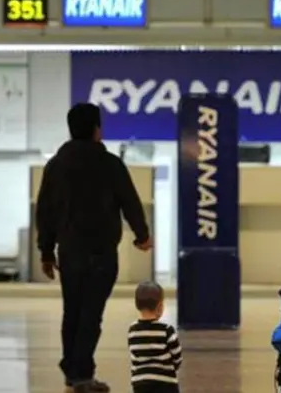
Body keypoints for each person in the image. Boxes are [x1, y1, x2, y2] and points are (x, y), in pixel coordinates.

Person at [36, 102, 154, 393]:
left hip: (70, 251)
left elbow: (46, 211)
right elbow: (129, 201)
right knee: (91, 314)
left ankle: (72, 369)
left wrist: (46, 251)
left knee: (72, 311)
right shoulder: (110, 164)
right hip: (101, 252)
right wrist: (142, 235)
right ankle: (81, 374)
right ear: (96, 129)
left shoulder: (56, 165)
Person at [128, 281, 183, 393]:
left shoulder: (132, 330)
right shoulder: (167, 330)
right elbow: (177, 356)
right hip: (166, 382)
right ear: (160, 306)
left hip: (140, 383)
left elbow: (134, 358)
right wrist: (172, 368)